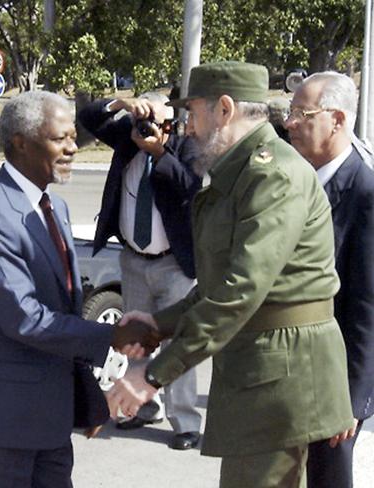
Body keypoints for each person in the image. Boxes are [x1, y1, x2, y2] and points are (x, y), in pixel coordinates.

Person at [107, 61, 354, 488]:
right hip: (260, 368)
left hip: (282, 379)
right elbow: (220, 282)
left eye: (193, 114)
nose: (186, 129)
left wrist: (152, 375)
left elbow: (240, 291)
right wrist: (159, 324)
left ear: (224, 109)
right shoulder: (238, 173)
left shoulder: (271, 174)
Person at [0, 91, 158, 488]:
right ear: (20, 141)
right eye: (60, 139)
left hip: (48, 421)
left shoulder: (56, 209)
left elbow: (64, 312)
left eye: (73, 137)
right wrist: (114, 335)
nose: (73, 148)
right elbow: (24, 319)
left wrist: (85, 397)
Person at [78, 92, 203, 450]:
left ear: (172, 124)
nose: (149, 128)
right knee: (137, 340)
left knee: (179, 341)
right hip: (134, 259)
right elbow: (89, 117)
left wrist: (159, 152)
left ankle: (185, 422)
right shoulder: (127, 137)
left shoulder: (186, 146)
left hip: (174, 263)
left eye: (159, 123)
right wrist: (121, 104)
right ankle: (145, 406)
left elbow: (192, 189)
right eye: (145, 120)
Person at [286, 71, 374, 488]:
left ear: (337, 120)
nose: (290, 122)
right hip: (291, 371)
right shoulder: (299, 179)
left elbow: (367, 306)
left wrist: (353, 402)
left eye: (302, 113)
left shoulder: (365, 191)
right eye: (290, 112)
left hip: (333, 385)